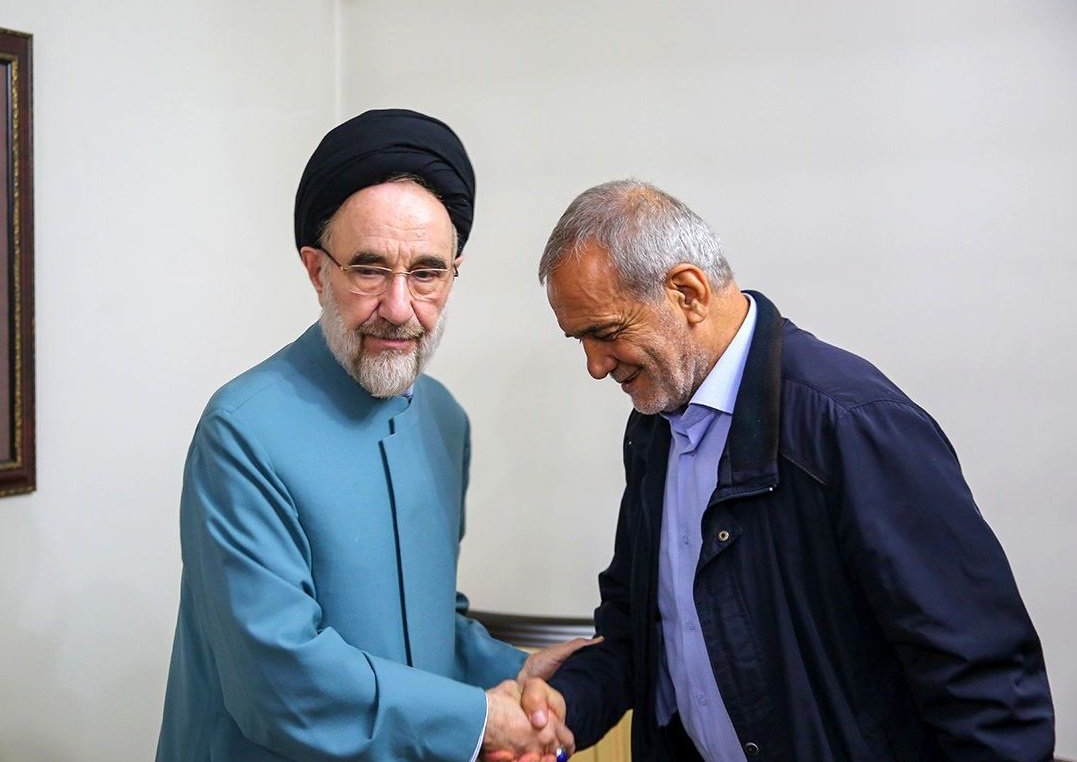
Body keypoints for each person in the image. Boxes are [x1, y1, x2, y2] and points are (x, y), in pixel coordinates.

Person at [527, 179, 1054, 762]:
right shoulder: (653, 428)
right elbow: (641, 627)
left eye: (605, 333)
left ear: (687, 293)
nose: (595, 366)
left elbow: (982, 681)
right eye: (579, 340)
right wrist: (561, 708)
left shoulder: (851, 425)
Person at [157, 109, 583, 762]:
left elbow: (426, 625)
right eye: (369, 269)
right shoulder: (241, 433)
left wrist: (519, 672)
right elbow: (279, 680)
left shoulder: (444, 419)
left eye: (426, 273)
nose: (399, 307)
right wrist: (480, 720)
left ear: (453, 274)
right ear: (316, 270)